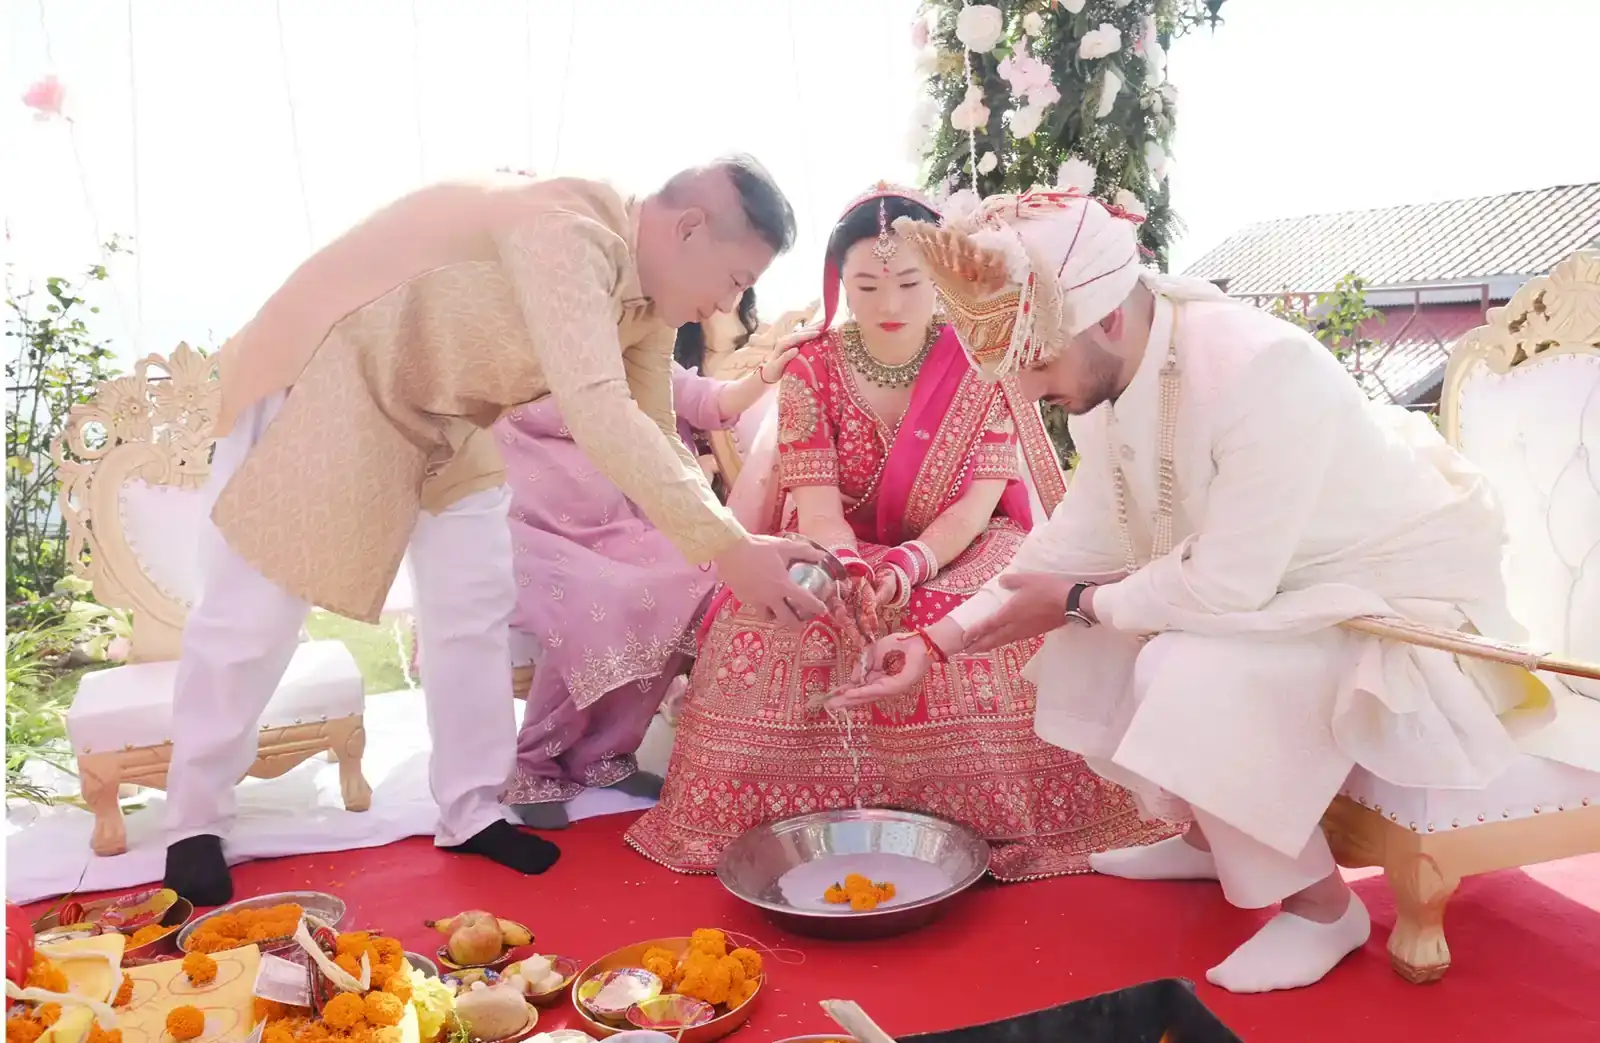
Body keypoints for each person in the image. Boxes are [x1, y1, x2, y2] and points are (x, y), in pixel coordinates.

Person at [841, 188, 1554, 992]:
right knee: (1096, 633)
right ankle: (1208, 842)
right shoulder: (1108, 383)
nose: (1031, 389)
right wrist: (935, 642)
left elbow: (1225, 585)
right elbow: (1070, 547)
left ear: (1109, 317)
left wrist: (1078, 601)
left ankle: (1324, 908)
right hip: (1273, 581)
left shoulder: (1262, 369)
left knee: (1175, 662)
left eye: (1037, 361)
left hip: (1390, 596)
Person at [160, 159, 832, 907]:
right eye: (736, 278)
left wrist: (733, 540)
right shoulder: (568, 230)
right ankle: (193, 820)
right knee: (254, 613)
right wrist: (732, 551)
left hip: (447, 410)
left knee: (472, 601)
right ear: (690, 228)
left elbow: (655, 428)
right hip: (336, 367)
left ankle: (472, 809)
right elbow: (598, 408)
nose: (732, 302)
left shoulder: (651, 302)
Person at [625, 183, 1175, 881]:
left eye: (910, 283)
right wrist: (850, 567)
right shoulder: (812, 365)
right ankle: (769, 821)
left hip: (960, 546)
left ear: (940, 282)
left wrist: (911, 564)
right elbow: (817, 505)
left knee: (996, 611)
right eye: (866, 285)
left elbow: (976, 505)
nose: (889, 303)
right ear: (839, 283)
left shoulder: (982, 355)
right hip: (835, 544)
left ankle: (1011, 818)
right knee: (782, 617)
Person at [499, 289, 802, 828]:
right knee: (595, 598)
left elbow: (708, 402)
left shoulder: (628, 351)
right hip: (535, 532)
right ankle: (535, 767)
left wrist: (768, 372)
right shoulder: (509, 359)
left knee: (696, 577)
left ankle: (604, 755)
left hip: (621, 530)